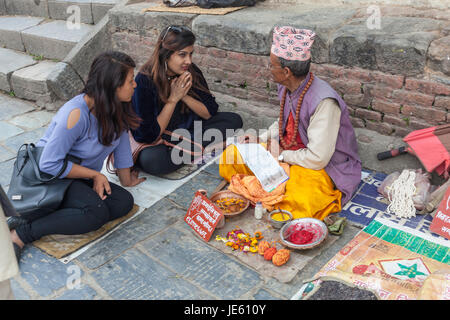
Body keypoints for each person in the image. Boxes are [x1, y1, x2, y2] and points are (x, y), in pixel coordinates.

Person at [8, 51, 146, 261]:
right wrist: (95, 175)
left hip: (76, 177)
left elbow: (121, 141)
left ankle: (53, 211)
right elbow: (49, 164)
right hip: (51, 177)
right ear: (112, 86)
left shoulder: (117, 106)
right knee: (95, 214)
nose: (134, 85)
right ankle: (21, 234)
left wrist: (126, 179)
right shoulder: (75, 114)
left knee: (122, 202)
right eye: (130, 81)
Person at [220, 26, 361, 220]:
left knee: (299, 199)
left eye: (271, 66)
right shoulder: (287, 86)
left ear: (286, 71)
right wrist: (260, 139)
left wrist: (280, 156)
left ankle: (263, 188)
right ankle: (268, 188)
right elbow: (285, 120)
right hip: (284, 151)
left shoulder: (324, 102)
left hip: (317, 166)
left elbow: (318, 158)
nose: (269, 70)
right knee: (231, 156)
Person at [131, 25, 243, 175]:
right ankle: (204, 148)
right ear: (166, 54)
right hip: (162, 140)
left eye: (190, 54)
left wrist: (184, 95)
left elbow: (209, 112)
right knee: (153, 160)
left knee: (233, 120)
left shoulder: (190, 70)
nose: (188, 61)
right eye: (182, 55)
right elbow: (148, 136)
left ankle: (193, 149)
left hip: (190, 132)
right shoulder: (145, 80)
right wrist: (172, 100)